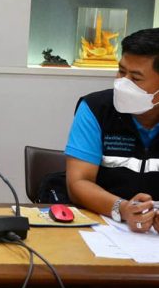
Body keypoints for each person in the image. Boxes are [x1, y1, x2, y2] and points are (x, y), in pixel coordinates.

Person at [66, 28, 159, 233]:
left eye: (136, 78)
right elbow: (78, 182)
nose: (123, 83)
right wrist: (122, 209)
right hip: (104, 226)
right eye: (121, 71)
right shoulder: (96, 108)